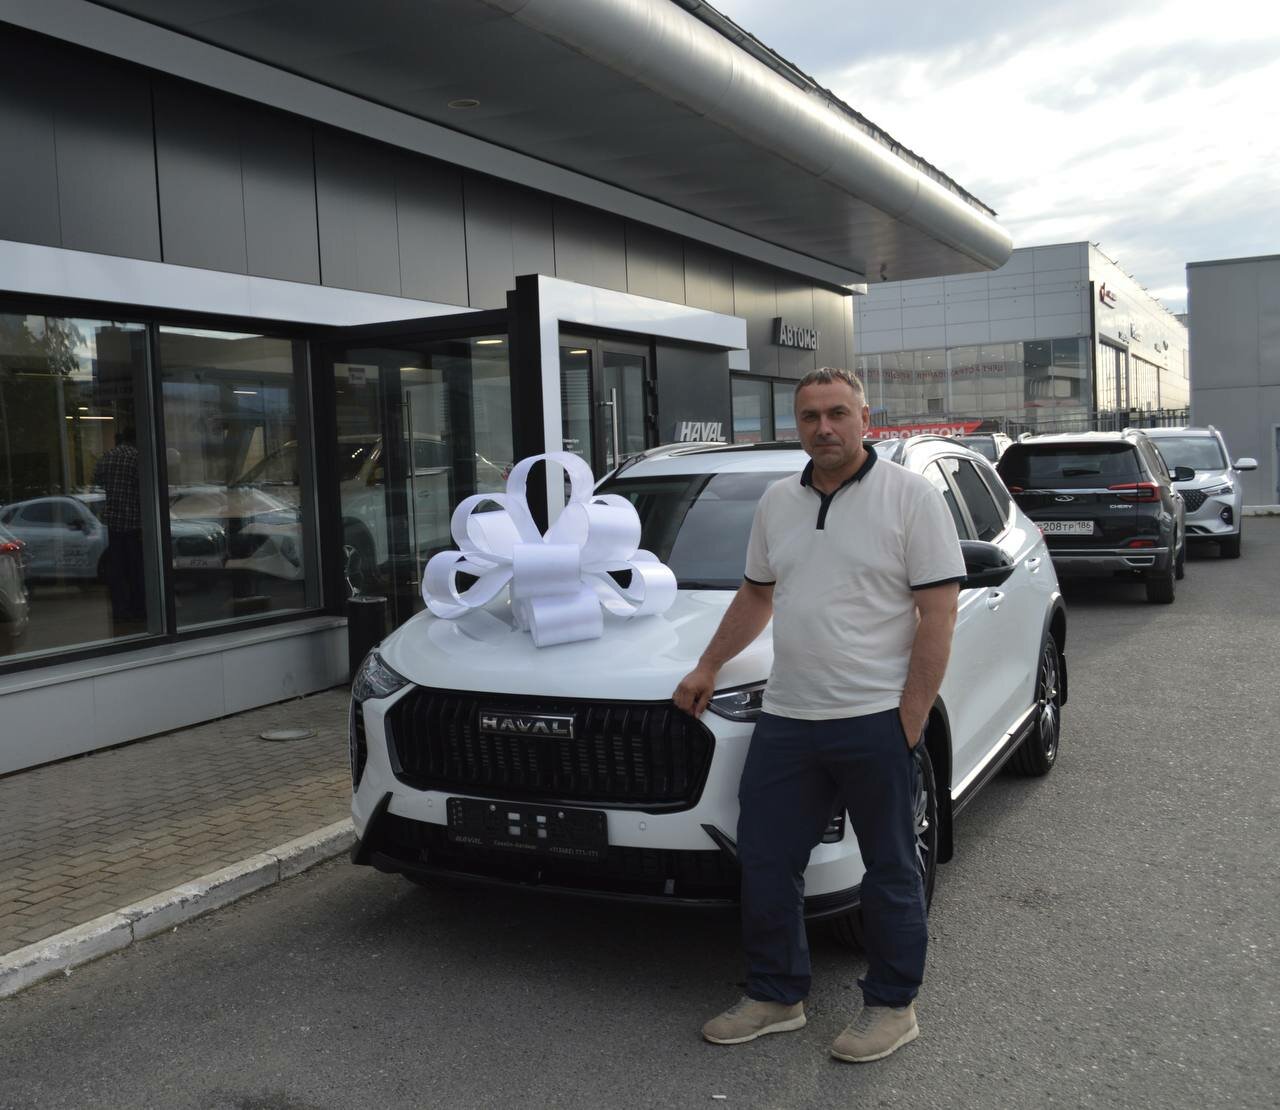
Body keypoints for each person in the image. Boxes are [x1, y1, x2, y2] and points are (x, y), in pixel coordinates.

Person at [673, 367, 965, 1063]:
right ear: (797, 425)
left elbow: (939, 613)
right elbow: (756, 595)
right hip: (788, 718)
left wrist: (909, 719)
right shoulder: (779, 501)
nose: (824, 427)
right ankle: (776, 995)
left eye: (837, 413)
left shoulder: (912, 498)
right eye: (810, 416)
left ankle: (892, 1007)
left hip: (874, 718)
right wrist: (708, 665)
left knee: (889, 867)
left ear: (865, 417)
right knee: (767, 860)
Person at [92, 425, 146, 626]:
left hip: (113, 523)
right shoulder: (138, 457)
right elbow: (144, 488)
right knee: (136, 570)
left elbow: (96, 479)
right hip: (134, 523)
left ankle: (120, 610)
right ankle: (138, 609)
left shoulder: (108, 456)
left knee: (118, 570)